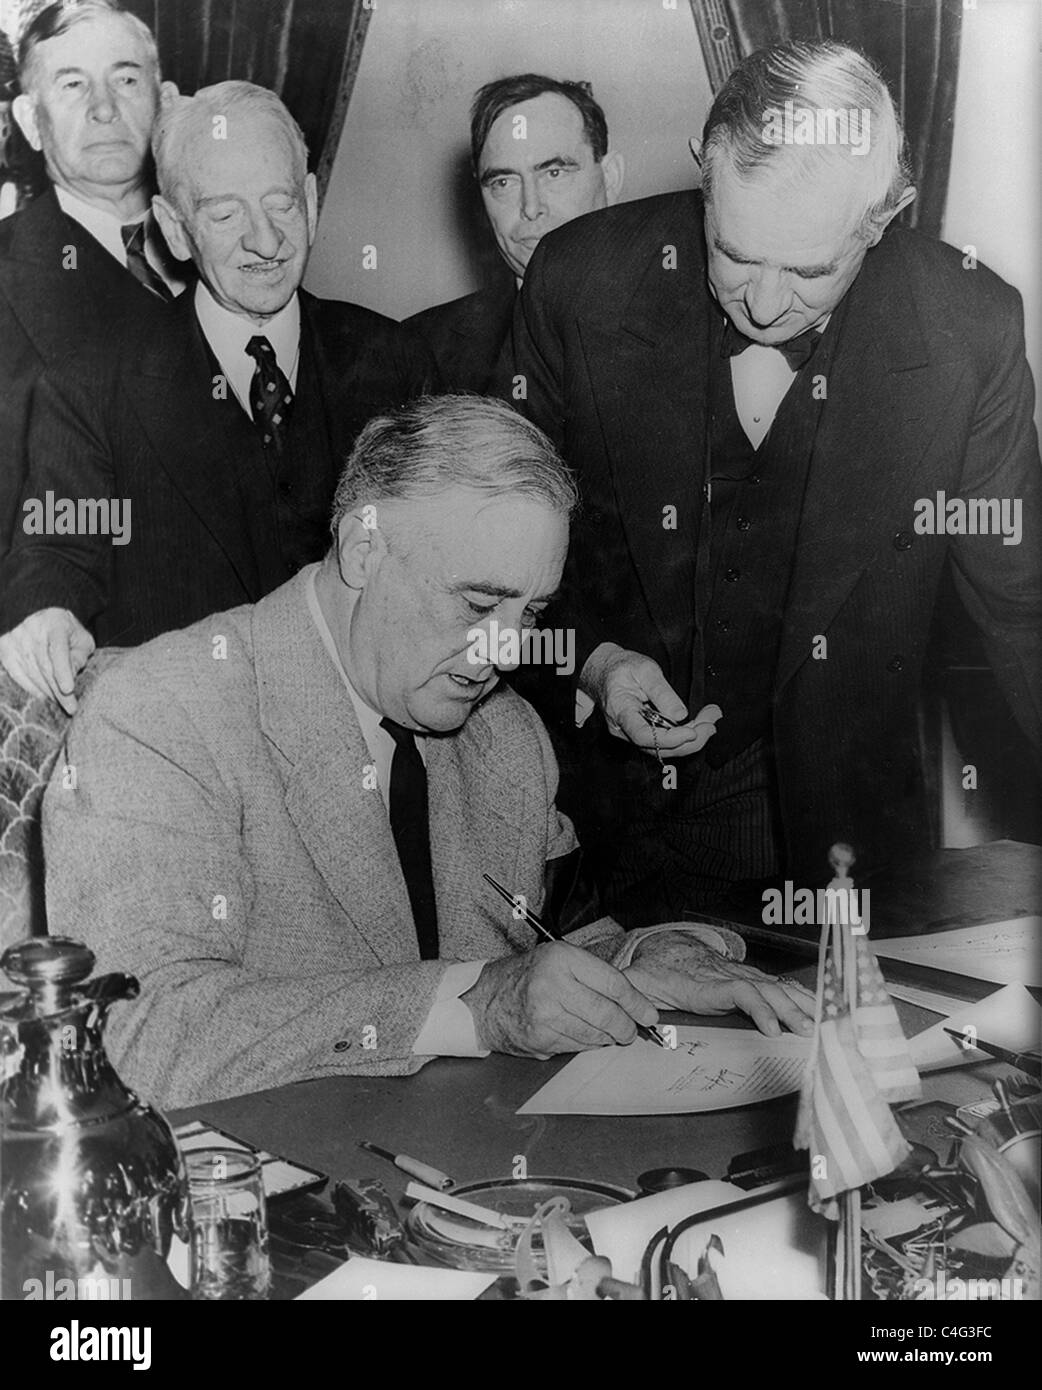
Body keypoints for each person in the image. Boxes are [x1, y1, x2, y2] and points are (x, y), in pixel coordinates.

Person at [43, 396, 813, 1108]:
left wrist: (648, 958)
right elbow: (135, 1035)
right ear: (362, 550)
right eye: (478, 603)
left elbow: (531, 963)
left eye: (530, 610)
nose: (506, 649)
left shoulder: (503, 739)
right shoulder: (164, 709)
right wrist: (474, 1009)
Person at [512, 40, 1041, 923]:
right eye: (733, 253)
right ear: (703, 171)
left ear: (885, 215)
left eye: (807, 272)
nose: (761, 304)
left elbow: (1023, 608)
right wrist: (594, 662)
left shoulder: (970, 327)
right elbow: (491, 556)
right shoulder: (578, 283)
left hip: (851, 853)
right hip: (600, 842)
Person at [0, 80, 435, 713]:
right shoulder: (90, 379)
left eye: (281, 203)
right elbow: (61, 540)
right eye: (226, 214)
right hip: (188, 733)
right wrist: (46, 610)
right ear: (175, 230)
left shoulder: (395, 361)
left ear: (312, 201)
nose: (265, 241)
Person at [0, 0, 186, 562]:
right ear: (32, 122)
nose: (104, 108)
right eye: (73, 84)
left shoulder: (229, 247)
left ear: (163, 100)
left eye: (125, 78)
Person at [406, 73, 623, 393]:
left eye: (554, 172)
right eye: (503, 182)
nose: (531, 207)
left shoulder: (691, 322)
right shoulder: (420, 350)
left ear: (610, 178)